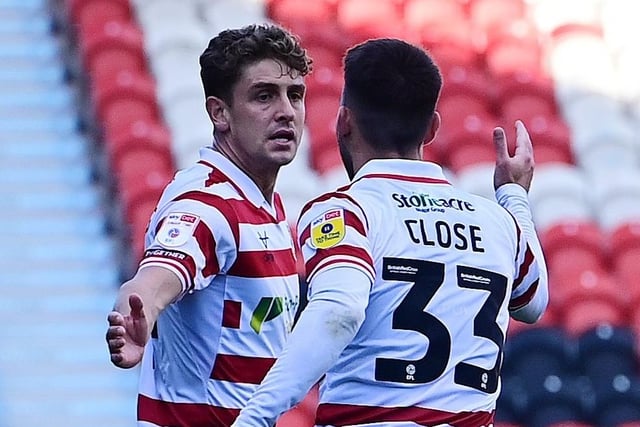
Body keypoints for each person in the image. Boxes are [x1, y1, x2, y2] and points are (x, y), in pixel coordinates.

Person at [231, 38, 549, 427]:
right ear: (432, 128)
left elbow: (339, 309)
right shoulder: (498, 221)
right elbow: (533, 303)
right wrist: (514, 196)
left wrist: (254, 418)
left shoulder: (347, 212)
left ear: (343, 120)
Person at [105, 23, 312, 427]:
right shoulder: (208, 204)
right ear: (220, 113)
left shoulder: (263, 203)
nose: (286, 111)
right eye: (264, 96)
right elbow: (154, 279)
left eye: (295, 95)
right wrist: (138, 312)